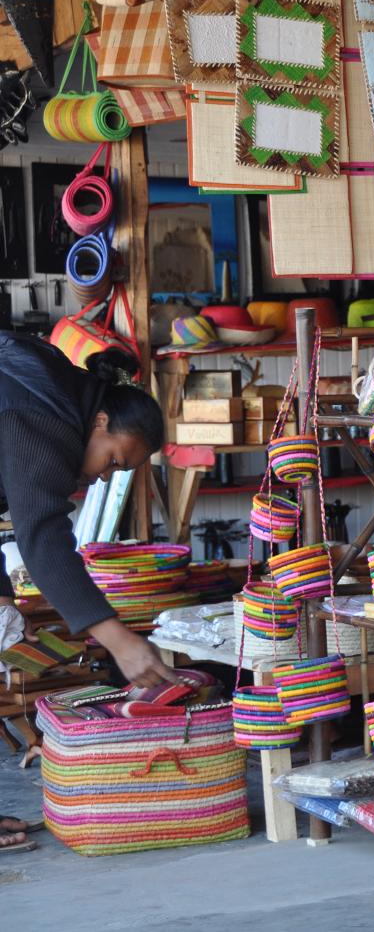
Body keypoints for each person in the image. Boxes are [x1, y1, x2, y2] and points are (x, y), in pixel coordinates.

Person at [0, 335, 179, 851]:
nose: (106, 476)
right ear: (100, 423)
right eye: (116, 460)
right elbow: (43, 539)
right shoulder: (44, 415)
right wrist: (120, 641)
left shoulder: (52, 392)